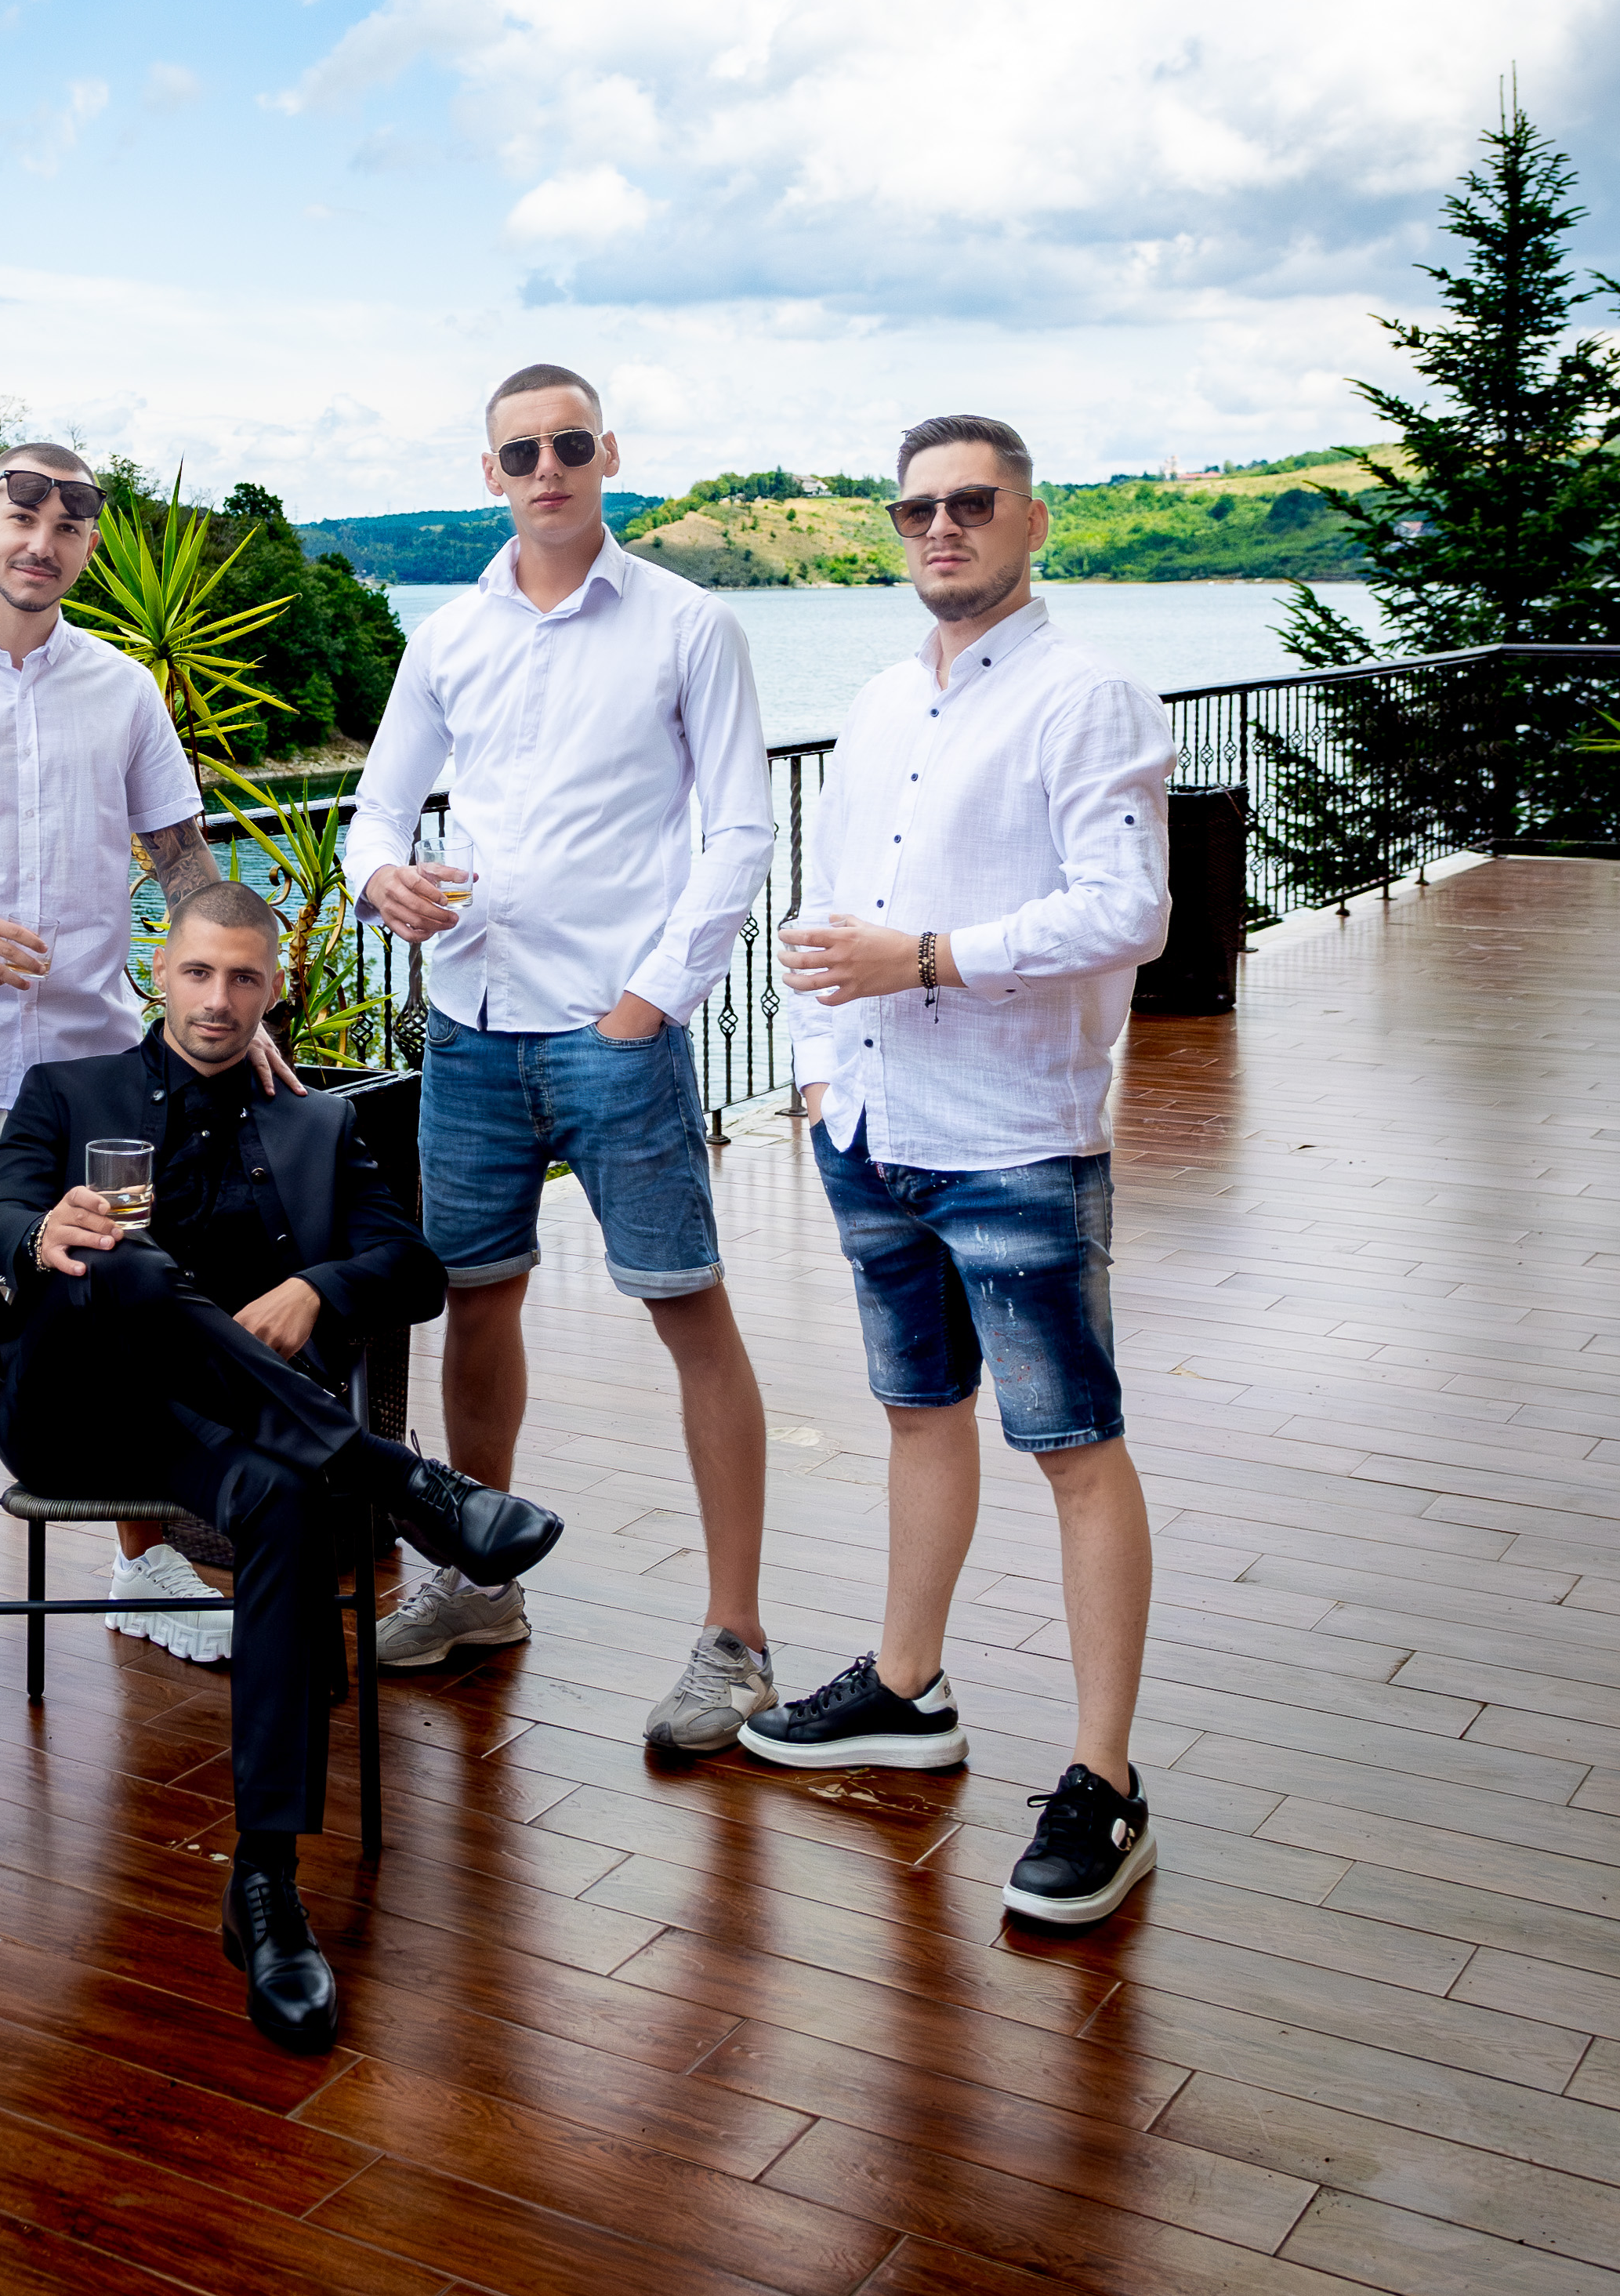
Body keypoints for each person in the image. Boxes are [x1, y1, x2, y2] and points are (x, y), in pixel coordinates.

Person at [0, 878, 563, 2050]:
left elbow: (414, 1270)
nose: (217, 1000)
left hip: (229, 1436)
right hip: (76, 1411)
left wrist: (316, 1288)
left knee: (285, 1498)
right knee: (125, 1261)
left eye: (243, 978)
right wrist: (41, 1232)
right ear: (159, 972)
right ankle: (398, 1478)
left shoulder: (315, 1127)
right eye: (197, 972)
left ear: (273, 989)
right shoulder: (68, 1092)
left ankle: (267, 1885)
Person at [743, 412, 1172, 1927]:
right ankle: (908, 1689)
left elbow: (1129, 910)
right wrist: (816, 1069)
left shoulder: (1087, 697)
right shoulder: (875, 704)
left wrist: (924, 959)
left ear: (1033, 520)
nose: (943, 527)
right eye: (918, 507)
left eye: (974, 502)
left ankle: (1106, 1781)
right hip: (874, 1130)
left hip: (1011, 1138)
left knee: (1074, 1446)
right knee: (918, 1415)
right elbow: (830, 907)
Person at [343, 364, 779, 1753]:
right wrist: (378, 880)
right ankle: (481, 1588)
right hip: (472, 1028)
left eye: (570, 445)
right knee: (475, 1303)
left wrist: (652, 1000)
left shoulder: (689, 625)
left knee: (688, 1308)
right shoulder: (449, 634)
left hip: (612, 1033)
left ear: (608, 456)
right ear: (491, 473)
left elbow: (739, 830)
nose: (548, 469)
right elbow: (377, 809)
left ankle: (736, 1639)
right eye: (522, 452)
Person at [0, 444, 301, 1705]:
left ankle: (142, 1566)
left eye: (69, 524)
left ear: (89, 545)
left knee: (126, 1313)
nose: (42, 541)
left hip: (101, 1070)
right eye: (23, 516)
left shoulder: (121, 690)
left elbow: (179, 853)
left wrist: (229, 992)